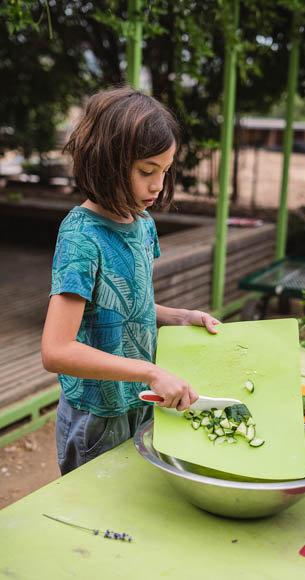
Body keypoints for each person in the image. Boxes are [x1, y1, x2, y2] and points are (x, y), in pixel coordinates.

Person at [41, 86, 221, 475]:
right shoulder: (81, 238)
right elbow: (56, 350)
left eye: (165, 171)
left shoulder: (142, 224)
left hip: (141, 403)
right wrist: (152, 371)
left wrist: (179, 317)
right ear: (107, 162)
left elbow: (123, 306)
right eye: (146, 171)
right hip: (97, 415)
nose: (158, 185)